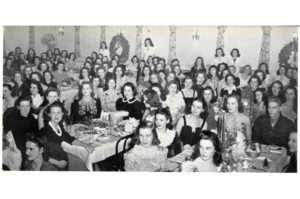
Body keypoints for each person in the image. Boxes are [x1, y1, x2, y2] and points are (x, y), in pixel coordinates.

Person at [41, 101, 95, 170]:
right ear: (49, 114)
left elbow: (69, 139)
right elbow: (41, 153)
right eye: (53, 113)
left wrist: (85, 145)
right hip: (49, 164)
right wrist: (57, 163)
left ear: (63, 114)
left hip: (60, 157)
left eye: (59, 112)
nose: (56, 115)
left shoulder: (59, 126)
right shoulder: (45, 131)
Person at [3, 97, 39, 170]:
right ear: (18, 107)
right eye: (22, 106)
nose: (25, 109)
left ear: (30, 106)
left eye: (27, 106)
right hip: (20, 148)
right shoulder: (15, 120)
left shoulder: (31, 117)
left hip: (31, 144)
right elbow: (18, 142)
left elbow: (36, 134)